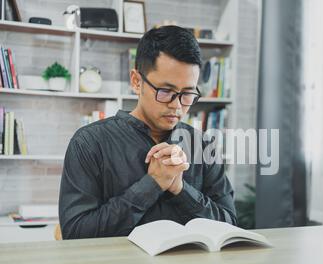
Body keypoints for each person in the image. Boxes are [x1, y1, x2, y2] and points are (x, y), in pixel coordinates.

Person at [59, 26, 236, 239]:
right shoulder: (89, 143)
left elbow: (230, 226)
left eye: (187, 93)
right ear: (136, 81)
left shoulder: (203, 146)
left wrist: (181, 189)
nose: (177, 106)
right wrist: (152, 184)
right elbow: (75, 233)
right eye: (166, 91)